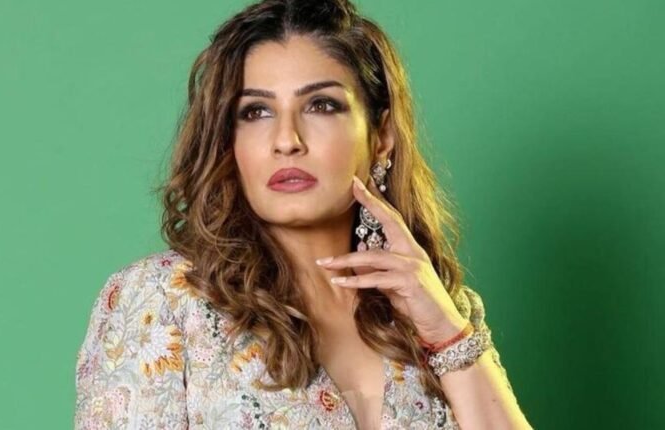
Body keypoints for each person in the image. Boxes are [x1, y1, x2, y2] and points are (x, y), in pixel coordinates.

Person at [74, 0, 532, 428]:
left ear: (381, 137)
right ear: (228, 142)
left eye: (321, 105)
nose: (286, 140)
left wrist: (448, 334)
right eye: (256, 112)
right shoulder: (164, 302)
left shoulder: (442, 308)